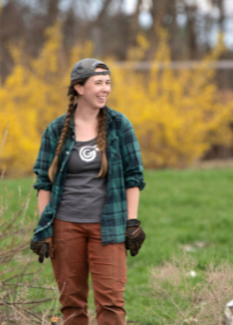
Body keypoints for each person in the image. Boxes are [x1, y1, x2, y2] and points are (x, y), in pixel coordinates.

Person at [30, 58, 147, 325]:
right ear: (79, 88)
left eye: (108, 83)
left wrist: (132, 221)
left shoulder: (120, 125)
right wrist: (43, 228)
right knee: (71, 302)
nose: (105, 89)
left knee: (111, 303)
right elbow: (43, 183)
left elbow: (134, 177)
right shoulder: (56, 129)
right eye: (98, 83)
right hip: (65, 226)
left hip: (109, 226)